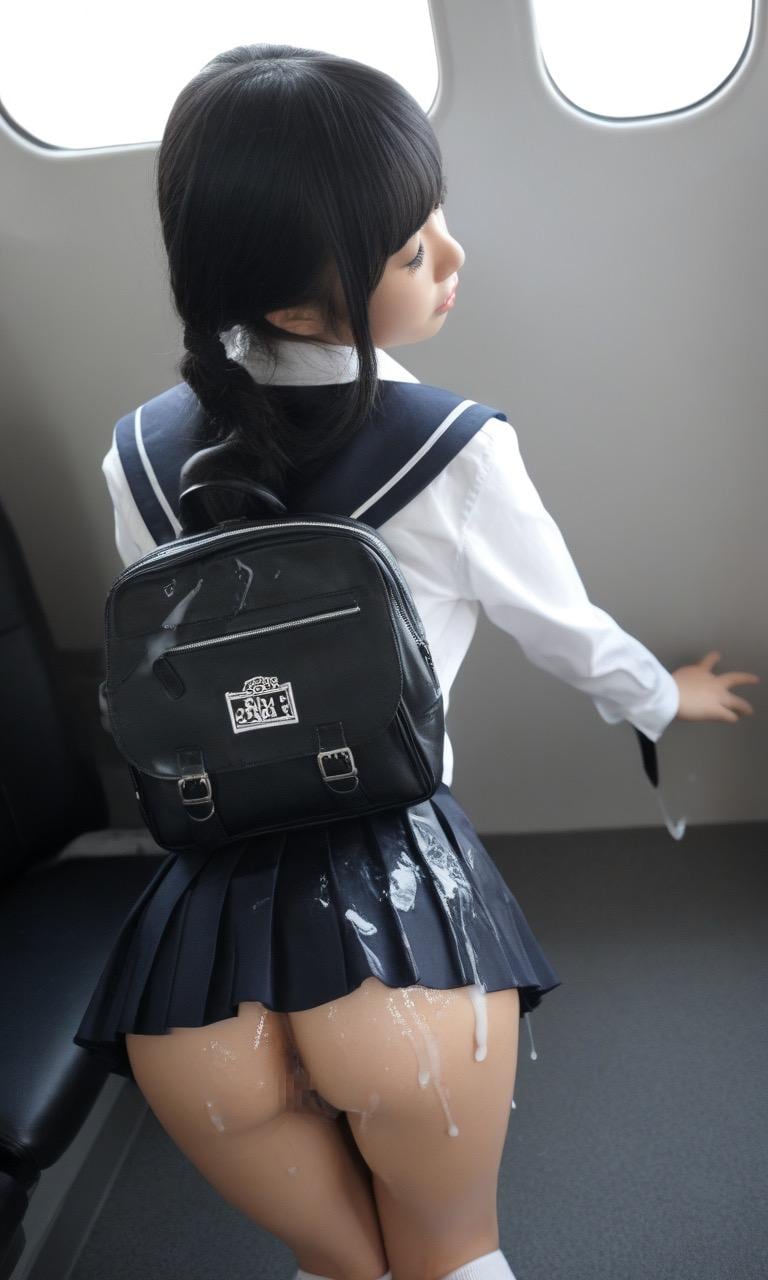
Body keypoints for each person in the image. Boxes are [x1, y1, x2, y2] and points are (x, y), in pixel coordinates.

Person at [74, 44, 760, 1280]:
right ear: (299, 309)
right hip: (394, 931)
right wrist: (669, 694)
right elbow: (564, 629)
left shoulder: (132, 453)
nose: (453, 257)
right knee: (449, 1259)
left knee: (344, 1269)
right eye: (410, 252)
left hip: (194, 981)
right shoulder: (457, 451)